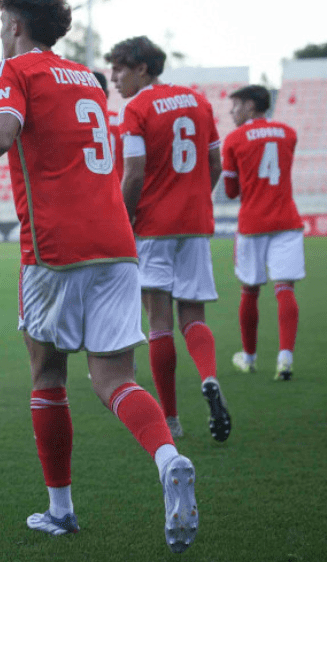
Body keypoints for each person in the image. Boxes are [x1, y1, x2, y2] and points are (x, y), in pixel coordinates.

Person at [0, 0, 197, 552]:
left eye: (1, 22)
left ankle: (61, 509)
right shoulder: (88, 77)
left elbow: (1, 135)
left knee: (48, 375)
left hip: (55, 249)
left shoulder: (16, 73)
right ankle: (167, 458)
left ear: (14, 25)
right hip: (117, 244)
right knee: (116, 378)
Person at [109, 36, 231, 443]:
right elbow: (215, 162)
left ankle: (173, 418)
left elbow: (135, 172)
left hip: (152, 227)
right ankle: (209, 378)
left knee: (159, 321)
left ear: (142, 68)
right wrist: (196, 197)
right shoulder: (200, 102)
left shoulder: (137, 108)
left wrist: (124, 218)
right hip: (194, 223)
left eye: (120, 69)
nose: (114, 78)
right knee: (193, 315)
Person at [221, 84, 304, 380]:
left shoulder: (233, 139)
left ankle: (250, 357)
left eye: (236, 105)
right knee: (285, 290)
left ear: (251, 106)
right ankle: (285, 358)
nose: (232, 112)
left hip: (253, 222)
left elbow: (231, 191)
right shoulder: (289, 133)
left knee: (250, 291)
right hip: (286, 219)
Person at [92, 70, 125, 184]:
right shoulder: (122, 120)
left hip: (93, 191)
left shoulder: (75, 124)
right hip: (120, 190)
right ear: (106, 93)